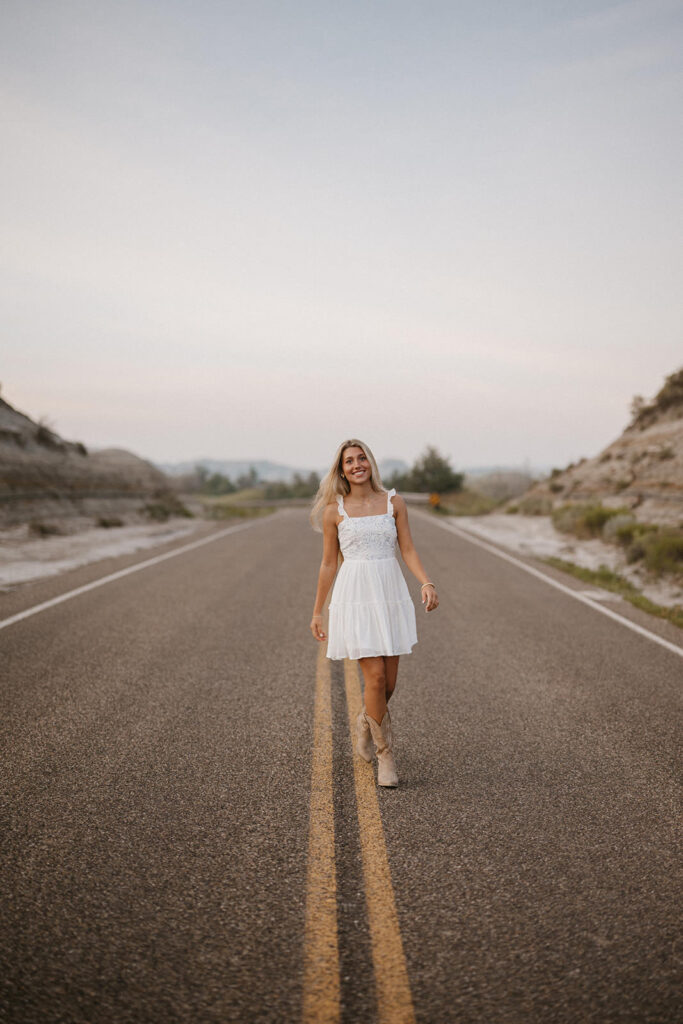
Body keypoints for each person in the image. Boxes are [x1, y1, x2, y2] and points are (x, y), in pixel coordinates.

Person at [310, 438, 439, 787]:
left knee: (389, 684)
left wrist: (426, 582)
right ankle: (386, 757)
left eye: (361, 458)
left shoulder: (394, 502)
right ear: (342, 471)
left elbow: (407, 549)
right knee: (376, 678)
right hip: (355, 597)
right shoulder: (334, 511)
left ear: (370, 462)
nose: (357, 465)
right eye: (349, 461)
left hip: (389, 593)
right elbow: (328, 563)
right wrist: (318, 611)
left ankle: (366, 721)